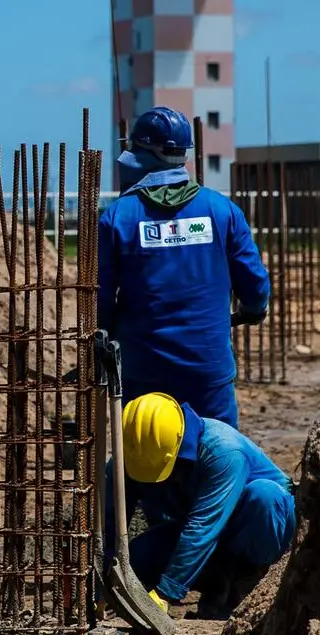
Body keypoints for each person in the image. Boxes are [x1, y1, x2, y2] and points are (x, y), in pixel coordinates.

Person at [97, 107, 270, 428]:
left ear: (143, 152)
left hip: (143, 369)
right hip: (208, 367)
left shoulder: (117, 217)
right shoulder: (222, 210)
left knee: (146, 458)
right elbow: (255, 286)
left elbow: (100, 300)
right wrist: (252, 309)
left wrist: (103, 342)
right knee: (218, 454)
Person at [120, 390, 295, 619]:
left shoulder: (223, 451)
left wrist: (164, 594)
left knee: (265, 495)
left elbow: (203, 526)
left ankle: (249, 582)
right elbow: (113, 513)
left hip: (260, 534)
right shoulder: (141, 451)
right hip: (211, 536)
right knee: (139, 555)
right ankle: (219, 583)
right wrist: (107, 581)